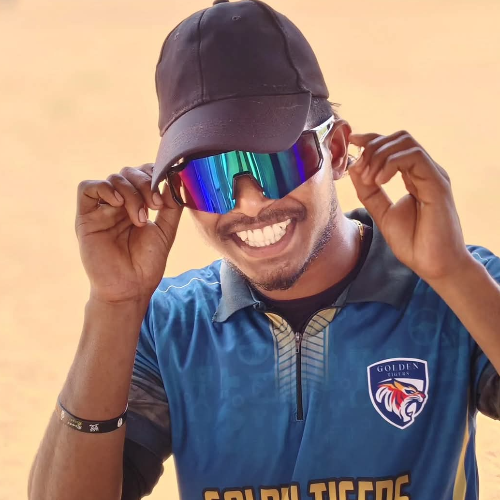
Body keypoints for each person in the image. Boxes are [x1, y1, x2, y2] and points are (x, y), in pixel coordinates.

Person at [28, 0, 500, 499]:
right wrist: (114, 303)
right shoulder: (169, 327)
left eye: (275, 162)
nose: (250, 203)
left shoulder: (459, 286)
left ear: (336, 151)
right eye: (209, 179)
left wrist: (452, 272)